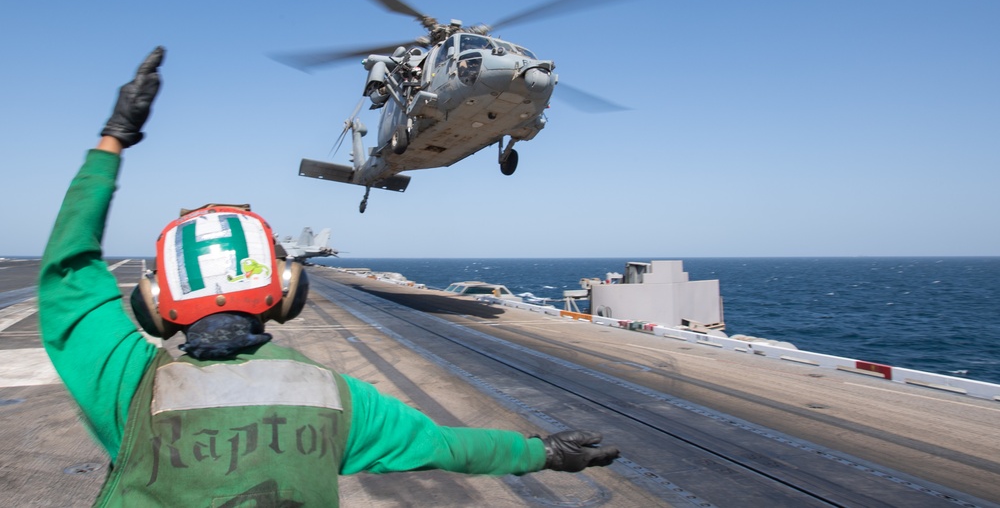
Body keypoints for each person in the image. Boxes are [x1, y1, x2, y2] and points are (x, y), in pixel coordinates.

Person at [39, 47, 619, 507]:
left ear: (155, 301)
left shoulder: (128, 390)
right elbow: (446, 444)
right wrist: (542, 451)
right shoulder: (336, 399)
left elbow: (67, 273)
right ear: (285, 291)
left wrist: (114, 137)